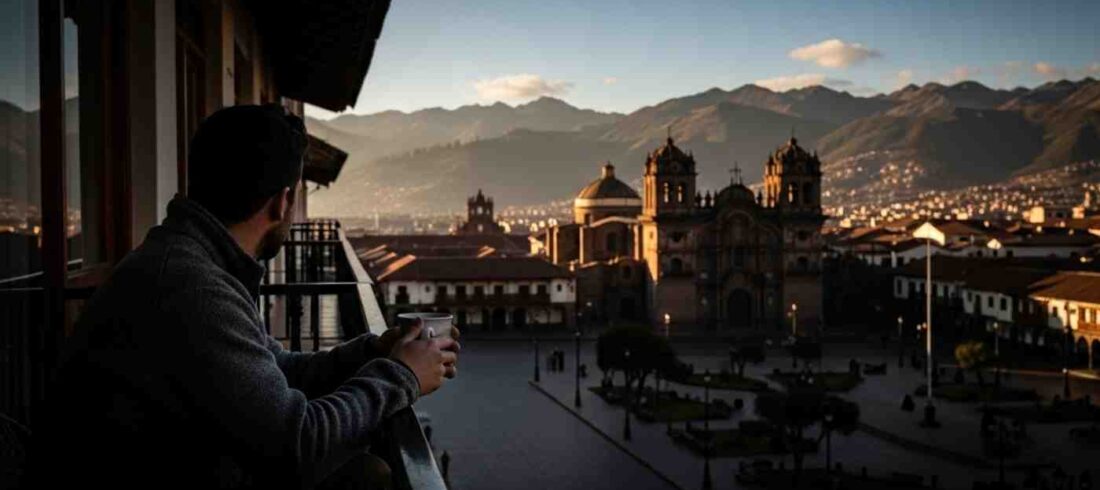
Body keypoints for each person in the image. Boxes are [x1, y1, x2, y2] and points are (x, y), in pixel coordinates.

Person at [29, 104, 460, 489]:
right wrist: (401, 376)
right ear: (282, 202)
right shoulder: (189, 286)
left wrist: (372, 351)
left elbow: (275, 369)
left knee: (365, 473)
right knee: (368, 478)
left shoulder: (189, 262)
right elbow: (298, 445)